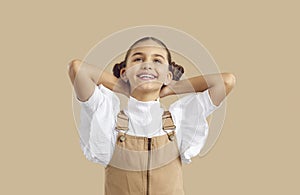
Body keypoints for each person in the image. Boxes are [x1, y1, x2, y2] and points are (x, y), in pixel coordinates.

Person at [67, 37, 236, 195]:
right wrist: (123, 87)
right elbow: (77, 69)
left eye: (157, 60)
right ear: (124, 72)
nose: (147, 65)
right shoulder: (109, 118)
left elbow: (226, 81)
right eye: (138, 59)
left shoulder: (179, 119)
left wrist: (171, 88)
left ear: (168, 75)